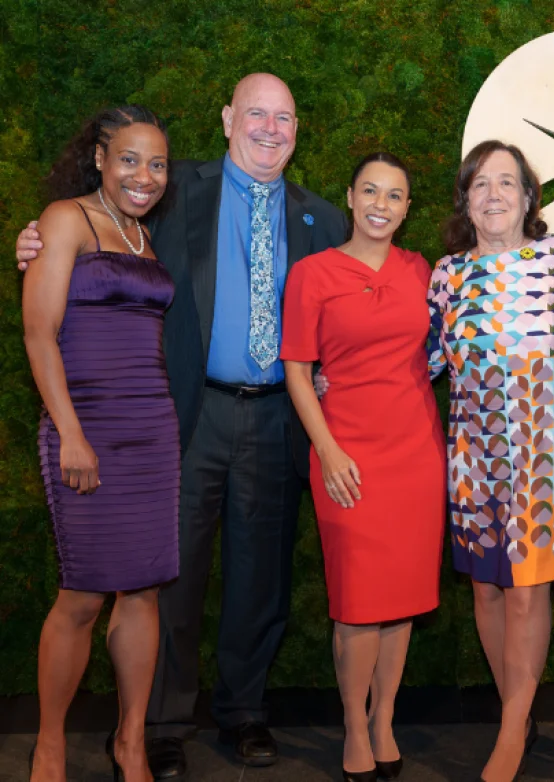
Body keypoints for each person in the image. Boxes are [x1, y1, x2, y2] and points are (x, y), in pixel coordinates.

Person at [16, 73, 348, 780]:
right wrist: (34, 242)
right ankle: (160, 725)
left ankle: (244, 711)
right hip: (182, 414)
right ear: (228, 117)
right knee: (165, 578)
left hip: (275, 416)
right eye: (255, 112)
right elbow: (90, 237)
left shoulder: (323, 219)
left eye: (284, 117)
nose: (269, 127)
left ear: (297, 129)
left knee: (261, 576)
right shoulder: (169, 190)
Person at [281, 152, 446, 782]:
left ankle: (385, 721)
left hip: (415, 453)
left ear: (408, 208)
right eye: (370, 191)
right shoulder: (312, 273)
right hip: (345, 454)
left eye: (395, 195)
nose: (381, 204)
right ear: (349, 197)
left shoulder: (419, 270)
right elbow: (297, 368)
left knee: (400, 603)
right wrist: (327, 449)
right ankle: (354, 723)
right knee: (356, 602)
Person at [23, 105, 175, 782]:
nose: (145, 175)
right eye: (130, 159)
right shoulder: (65, 220)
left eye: (158, 163)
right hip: (86, 427)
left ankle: (131, 742)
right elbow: (38, 335)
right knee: (82, 594)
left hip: (152, 430)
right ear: (100, 159)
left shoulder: (144, 235)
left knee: (143, 592)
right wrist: (72, 434)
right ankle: (49, 744)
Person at [427, 140, 554, 782]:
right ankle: (516, 709)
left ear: (529, 196)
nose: (493, 194)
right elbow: (422, 361)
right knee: (487, 592)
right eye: (480, 184)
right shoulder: (447, 274)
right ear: (466, 199)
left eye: (507, 182)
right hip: (471, 451)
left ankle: (512, 732)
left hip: (544, 450)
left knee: (526, 592)